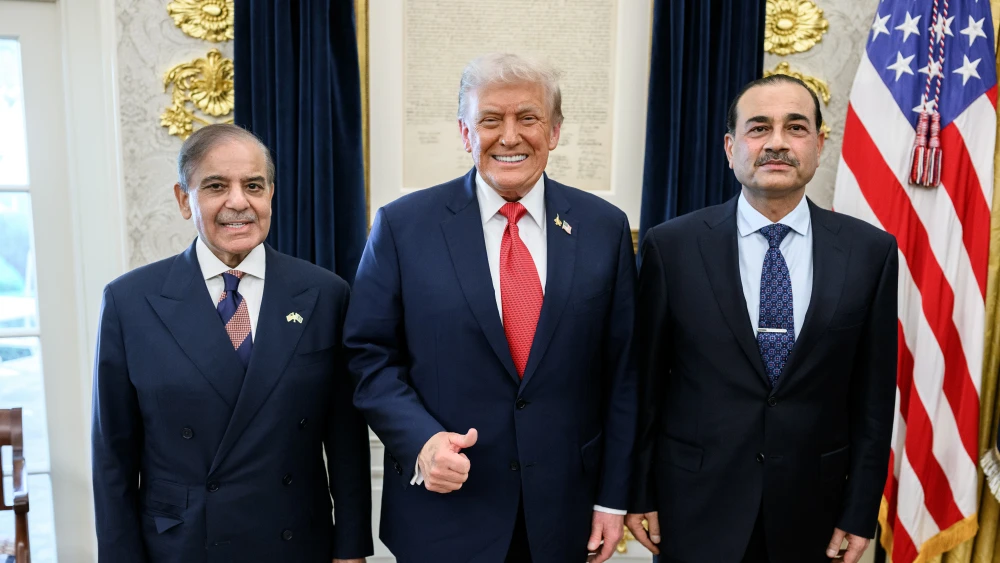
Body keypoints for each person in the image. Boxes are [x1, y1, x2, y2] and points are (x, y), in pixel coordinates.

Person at [344, 53, 637, 563]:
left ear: (554, 131)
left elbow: (625, 372)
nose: (509, 136)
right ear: (465, 132)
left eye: (528, 118)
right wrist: (422, 440)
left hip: (564, 514)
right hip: (445, 513)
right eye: (490, 120)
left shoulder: (604, 228)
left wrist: (612, 499)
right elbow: (368, 356)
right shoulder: (402, 227)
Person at [627, 75, 898, 563]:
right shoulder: (671, 248)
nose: (777, 142)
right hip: (693, 508)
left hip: (813, 513)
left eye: (795, 127)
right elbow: (644, 386)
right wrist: (639, 492)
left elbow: (873, 401)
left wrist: (860, 510)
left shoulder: (870, 252)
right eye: (758, 128)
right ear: (731, 148)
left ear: (819, 145)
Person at [91, 124, 373, 563]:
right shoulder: (129, 302)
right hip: (182, 545)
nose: (238, 202)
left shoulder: (325, 294)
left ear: (271, 195)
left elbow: (346, 441)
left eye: (253, 186)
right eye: (216, 186)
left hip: (296, 542)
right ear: (184, 200)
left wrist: (351, 550)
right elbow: (113, 456)